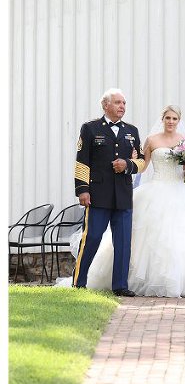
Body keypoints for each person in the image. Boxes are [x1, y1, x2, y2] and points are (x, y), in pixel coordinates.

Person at [63, 105, 185, 297]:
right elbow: (143, 165)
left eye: (174, 119)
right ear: (162, 119)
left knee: (184, 238)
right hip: (157, 190)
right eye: (168, 118)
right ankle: (98, 281)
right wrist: (130, 163)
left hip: (182, 192)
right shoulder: (151, 140)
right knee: (150, 240)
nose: (171, 122)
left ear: (179, 121)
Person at [73, 88, 144, 296]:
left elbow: (140, 161)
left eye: (124, 103)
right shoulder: (90, 128)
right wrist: (82, 190)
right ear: (105, 105)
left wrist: (128, 164)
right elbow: (82, 162)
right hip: (97, 194)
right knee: (92, 237)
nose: (122, 106)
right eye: (118, 103)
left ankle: (120, 286)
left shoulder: (132, 131)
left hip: (123, 194)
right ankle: (79, 282)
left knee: (123, 242)